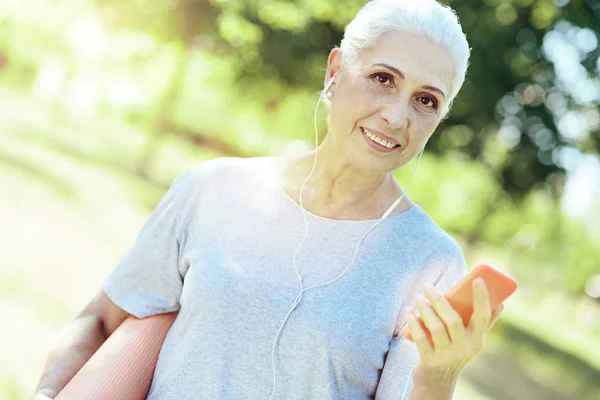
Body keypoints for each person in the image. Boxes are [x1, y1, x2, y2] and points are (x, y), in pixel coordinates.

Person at [33, 0, 504, 399]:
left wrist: (439, 379)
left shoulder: (430, 263)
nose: (397, 116)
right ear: (336, 73)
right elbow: (100, 322)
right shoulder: (212, 190)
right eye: (383, 78)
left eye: (426, 101)